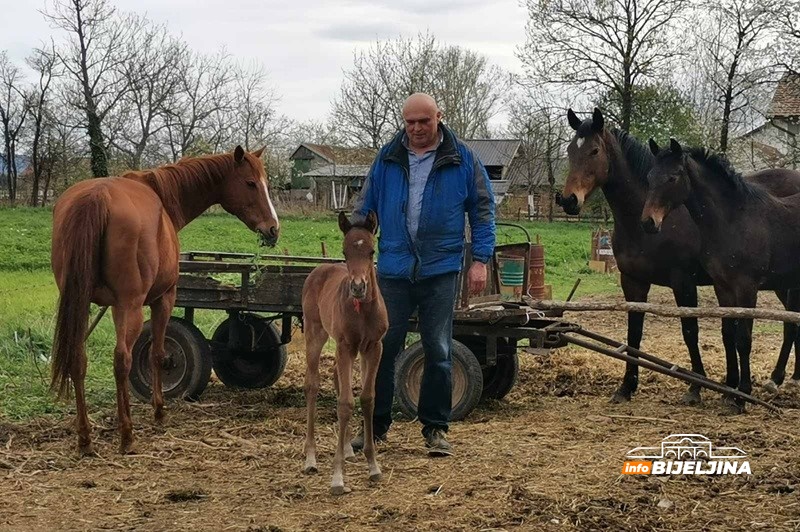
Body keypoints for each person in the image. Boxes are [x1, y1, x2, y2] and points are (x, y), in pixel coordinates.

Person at [350, 92, 496, 456]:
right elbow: (363, 210)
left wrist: (480, 259)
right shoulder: (387, 158)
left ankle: (435, 429)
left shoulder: (462, 158)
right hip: (394, 270)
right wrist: (355, 257)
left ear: (438, 118)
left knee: (439, 348)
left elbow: (482, 210)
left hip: (441, 269)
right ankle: (374, 427)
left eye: (423, 122)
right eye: (409, 122)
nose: (415, 129)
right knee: (381, 347)